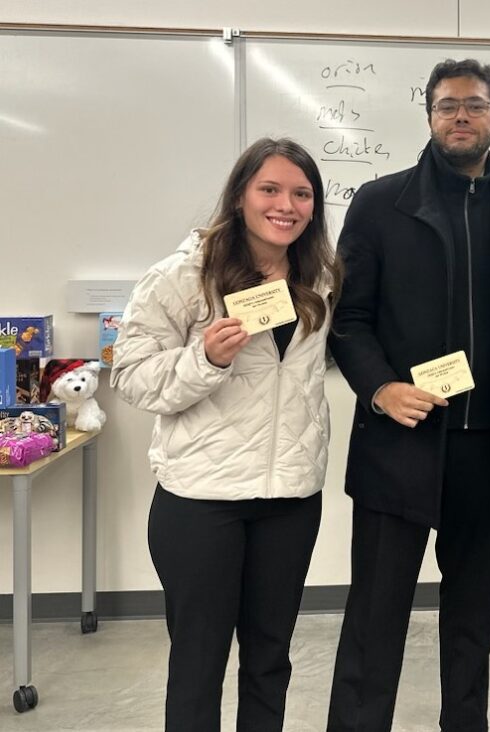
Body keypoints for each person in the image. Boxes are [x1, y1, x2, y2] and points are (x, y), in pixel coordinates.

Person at [326, 58, 490, 731]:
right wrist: (381, 387)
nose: (461, 117)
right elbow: (348, 322)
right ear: (429, 117)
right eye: (447, 105)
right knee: (374, 619)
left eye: (475, 105)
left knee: (474, 620)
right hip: (401, 445)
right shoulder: (378, 202)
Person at [111, 138, 341, 731]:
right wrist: (204, 360)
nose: (285, 204)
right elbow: (131, 376)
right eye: (269, 189)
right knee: (198, 661)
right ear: (240, 196)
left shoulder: (321, 276)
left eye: (301, 193)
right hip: (201, 503)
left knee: (270, 659)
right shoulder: (183, 274)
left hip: (290, 498)